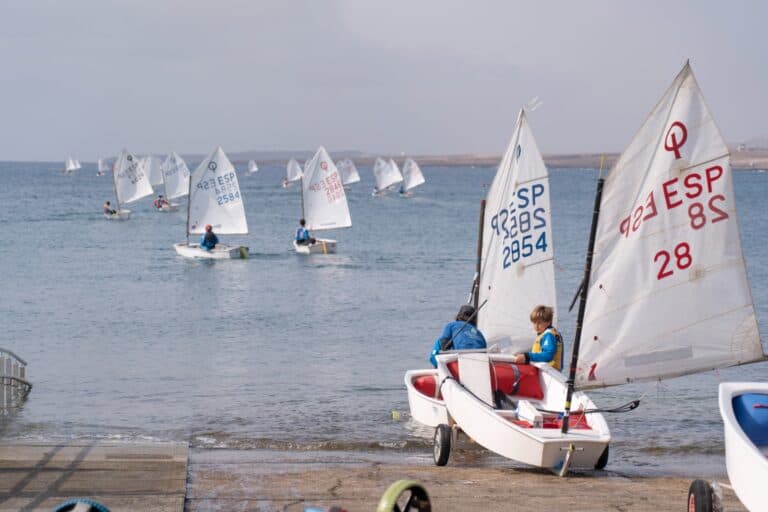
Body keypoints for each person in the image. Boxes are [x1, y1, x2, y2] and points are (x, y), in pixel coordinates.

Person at [512, 305, 563, 371]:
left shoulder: (549, 335)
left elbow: (548, 355)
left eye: (539, 323)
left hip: (550, 373)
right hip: (548, 371)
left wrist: (527, 356)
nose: (536, 326)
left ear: (548, 322)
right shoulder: (550, 333)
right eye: (534, 323)